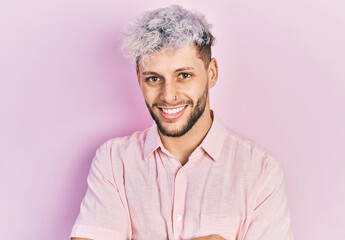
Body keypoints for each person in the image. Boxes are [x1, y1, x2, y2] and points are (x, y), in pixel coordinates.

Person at [70, 5, 293, 240]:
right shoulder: (115, 161)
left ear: (212, 73)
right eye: (154, 78)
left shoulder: (262, 171)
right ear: (139, 78)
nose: (168, 95)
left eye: (184, 75)